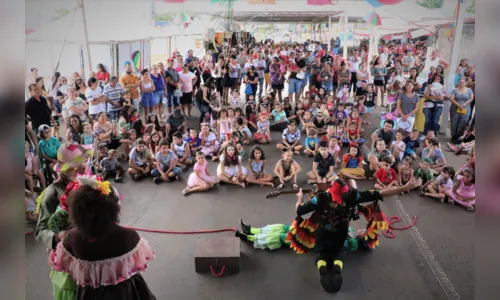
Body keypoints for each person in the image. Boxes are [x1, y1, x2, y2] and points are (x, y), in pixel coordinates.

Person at [289, 177, 422, 293]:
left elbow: (299, 210)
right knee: (338, 251)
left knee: (320, 251)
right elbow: (381, 193)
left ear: (330, 191)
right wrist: (405, 187)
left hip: (323, 233)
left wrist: (299, 198)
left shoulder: (320, 198)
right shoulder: (353, 196)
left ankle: (322, 267)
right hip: (341, 234)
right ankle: (337, 267)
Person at [48, 175, 157, 299]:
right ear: (112, 208)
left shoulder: (71, 238)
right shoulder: (129, 237)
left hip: (90, 294)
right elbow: (134, 268)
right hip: (125, 293)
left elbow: (66, 267)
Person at [449, 77, 474, 143]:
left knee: (463, 123)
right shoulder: (454, 90)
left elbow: (471, 98)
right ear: (458, 83)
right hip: (454, 109)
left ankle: (458, 138)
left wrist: (464, 104)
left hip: (466, 109)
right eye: (460, 82)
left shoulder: (469, 90)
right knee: (454, 123)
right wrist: (458, 105)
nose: (461, 83)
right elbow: (451, 98)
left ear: (465, 83)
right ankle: (453, 137)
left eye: (463, 82)